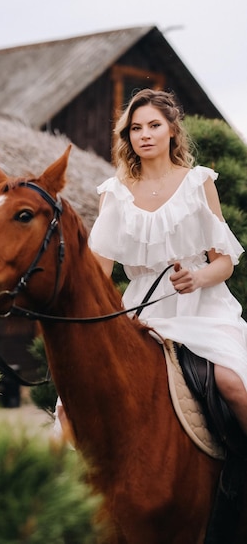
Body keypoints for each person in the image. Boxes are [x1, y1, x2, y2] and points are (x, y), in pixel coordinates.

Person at [55, 88, 247, 440]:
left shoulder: (199, 181)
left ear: (172, 129)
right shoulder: (114, 192)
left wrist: (198, 277)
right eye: (135, 128)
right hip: (141, 310)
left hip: (202, 307)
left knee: (233, 383)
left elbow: (224, 264)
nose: (144, 134)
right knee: (73, 405)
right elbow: (99, 270)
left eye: (154, 125)